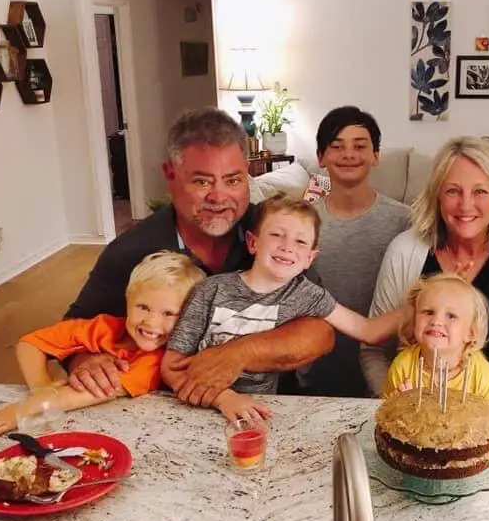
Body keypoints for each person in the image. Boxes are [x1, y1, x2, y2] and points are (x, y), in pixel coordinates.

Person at [63, 107, 334, 406]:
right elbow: (73, 328)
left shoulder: (276, 235)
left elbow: (321, 331)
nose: (219, 198)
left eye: (232, 181)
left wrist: (238, 353)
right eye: (202, 182)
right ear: (170, 175)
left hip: (271, 407)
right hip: (165, 406)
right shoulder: (129, 251)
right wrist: (84, 360)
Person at [163, 194, 408, 421]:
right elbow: (171, 365)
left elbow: (368, 331)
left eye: (300, 241)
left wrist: (421, 304)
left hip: (259, 414)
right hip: (197, 409)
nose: (287, 246)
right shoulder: (209, 290)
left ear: (309, 259)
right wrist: (224, 398)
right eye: (277, 235)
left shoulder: (307, 295)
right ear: (252, 242)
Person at [361, 137, 489, 406]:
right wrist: (396, 402)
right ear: (437, 196)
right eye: (453, 191)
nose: (465, 205)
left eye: (480, 191)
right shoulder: (404, 250)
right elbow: (373, 351)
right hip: (411, 412)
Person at [0, 251, 204, 438]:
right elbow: (30, 343)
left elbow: (85, 394)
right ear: (127, 301)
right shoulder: (104, 326)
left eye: (169, 313)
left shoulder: (156, 362)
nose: (152, 322)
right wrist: (41, 386)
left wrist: (20, 411)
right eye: (143, 307)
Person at [298, 106, 411, 397]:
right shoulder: (301, 223)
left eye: (360, 146)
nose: (349, 154)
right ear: (321, 157)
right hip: (317, 368)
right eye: (337, 146)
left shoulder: (404, 220)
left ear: (376, 155)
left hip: (389, 369)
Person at [385, 273, 489, 405]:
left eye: (451, 316)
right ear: (414, 321)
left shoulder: (484, 377)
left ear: (470, 333)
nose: (436, 321)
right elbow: (387, 414)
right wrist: (400, 404)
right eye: (428, 312)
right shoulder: (403, 367)